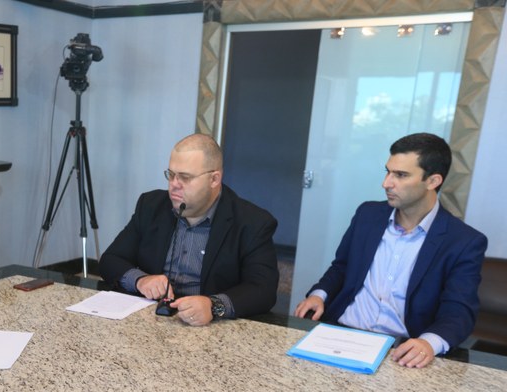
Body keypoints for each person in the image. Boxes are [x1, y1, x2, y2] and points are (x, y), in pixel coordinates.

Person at [294, 133, 487, 368]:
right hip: (340, 333)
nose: (386, 183)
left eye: (401, 175)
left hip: (400, 351)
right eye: (388, 172)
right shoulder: (367, 215)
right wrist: (319, 295)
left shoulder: (464, 241)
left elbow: (458, 311)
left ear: (433, 181)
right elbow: (341, 267)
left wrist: (428, 343)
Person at [99, 133, 279, 326]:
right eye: (171, 175)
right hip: (150, 319)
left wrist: (213, 305)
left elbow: (263, 290)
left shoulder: (252, 222)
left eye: (185, 177)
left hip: (209, 329)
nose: (174, 185)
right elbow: (110, 260)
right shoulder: (151, 205)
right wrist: (141, 280)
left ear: (214, 179)